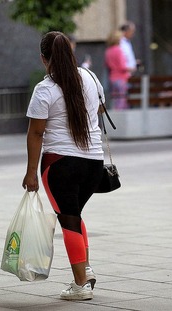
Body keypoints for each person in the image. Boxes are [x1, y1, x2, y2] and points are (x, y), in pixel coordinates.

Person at [22, 31, 104, 301]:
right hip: (94, 162)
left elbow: (36, 133)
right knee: (74, 215)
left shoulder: (45, 89)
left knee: (68, 221)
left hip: (60, 165)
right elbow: (100, 110)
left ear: (44, 59)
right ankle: (85, 269)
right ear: (71, 53)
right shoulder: (90, 77)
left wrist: (31, 172)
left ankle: (81, 284)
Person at [105, 31, 130, 110]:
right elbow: (122, 67)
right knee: (122, 100)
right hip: (121, 78)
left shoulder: (108, 51)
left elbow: (107, 65)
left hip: (112, 78)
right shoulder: (119, 50)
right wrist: (132, 68)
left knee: (115, 100)